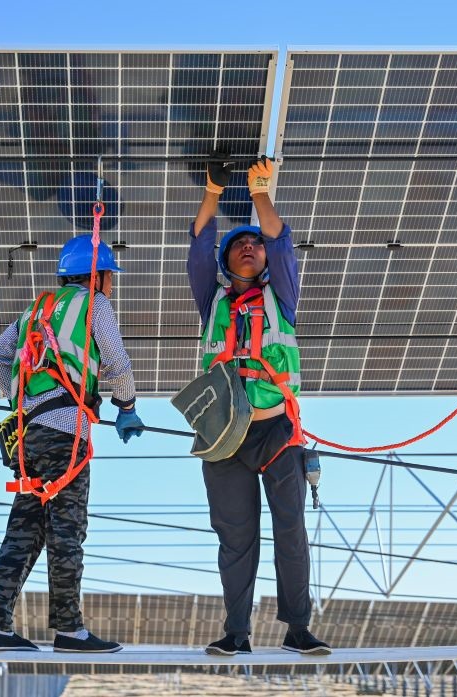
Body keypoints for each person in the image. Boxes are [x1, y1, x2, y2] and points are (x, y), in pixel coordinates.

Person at [187, 155, 331, 656]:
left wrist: (259, 193)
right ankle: (236, 632)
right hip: (222, 435)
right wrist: (212, 190)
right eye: (238, 245)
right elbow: (200, 243)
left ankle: (297, 628)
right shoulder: (213, 302)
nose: (248, 247)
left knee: (291, 530)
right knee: (236, 539)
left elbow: (280, 238)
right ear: (227, 264)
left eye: (255, 244)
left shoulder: (282, 296)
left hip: (275, 432)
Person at [0, 235, 145, 653]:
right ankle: (69, 630)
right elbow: (117, 362)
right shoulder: (96, 305)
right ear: (100, 276)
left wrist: (24, 398)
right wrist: (126, 405)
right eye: (110, 277)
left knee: (24, 530)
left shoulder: (35, 310)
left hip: (29, 434)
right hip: (67, 433)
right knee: (67, 529)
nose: (111, 285)